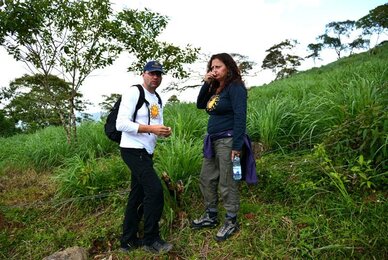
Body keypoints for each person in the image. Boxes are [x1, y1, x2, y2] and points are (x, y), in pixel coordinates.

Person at [191, 53, 257, 241]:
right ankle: (210, 215)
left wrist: (237, 146)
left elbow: (240, 116)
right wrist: (206, 83)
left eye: (218, 67)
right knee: (206, 177)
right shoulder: (216, 88)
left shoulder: (236, 88)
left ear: (228, 67)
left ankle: (231, 220)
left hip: (228, 141)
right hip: (212, 140)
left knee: (227, 181)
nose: (214, 70)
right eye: (212, 68)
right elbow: (199, 104)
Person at [116, 60, 173, 253]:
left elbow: (157, 124)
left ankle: (128, 241)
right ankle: (151, 239)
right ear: (144, 74)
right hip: (132, 150)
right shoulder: (134, 92)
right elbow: (121, 124)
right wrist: (151, 128)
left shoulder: (157, 98)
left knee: (137, 195)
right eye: (152, 73)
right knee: (155, 191)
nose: (155, 77)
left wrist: (163, 131)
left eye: (159, 74)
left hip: (146, 152)